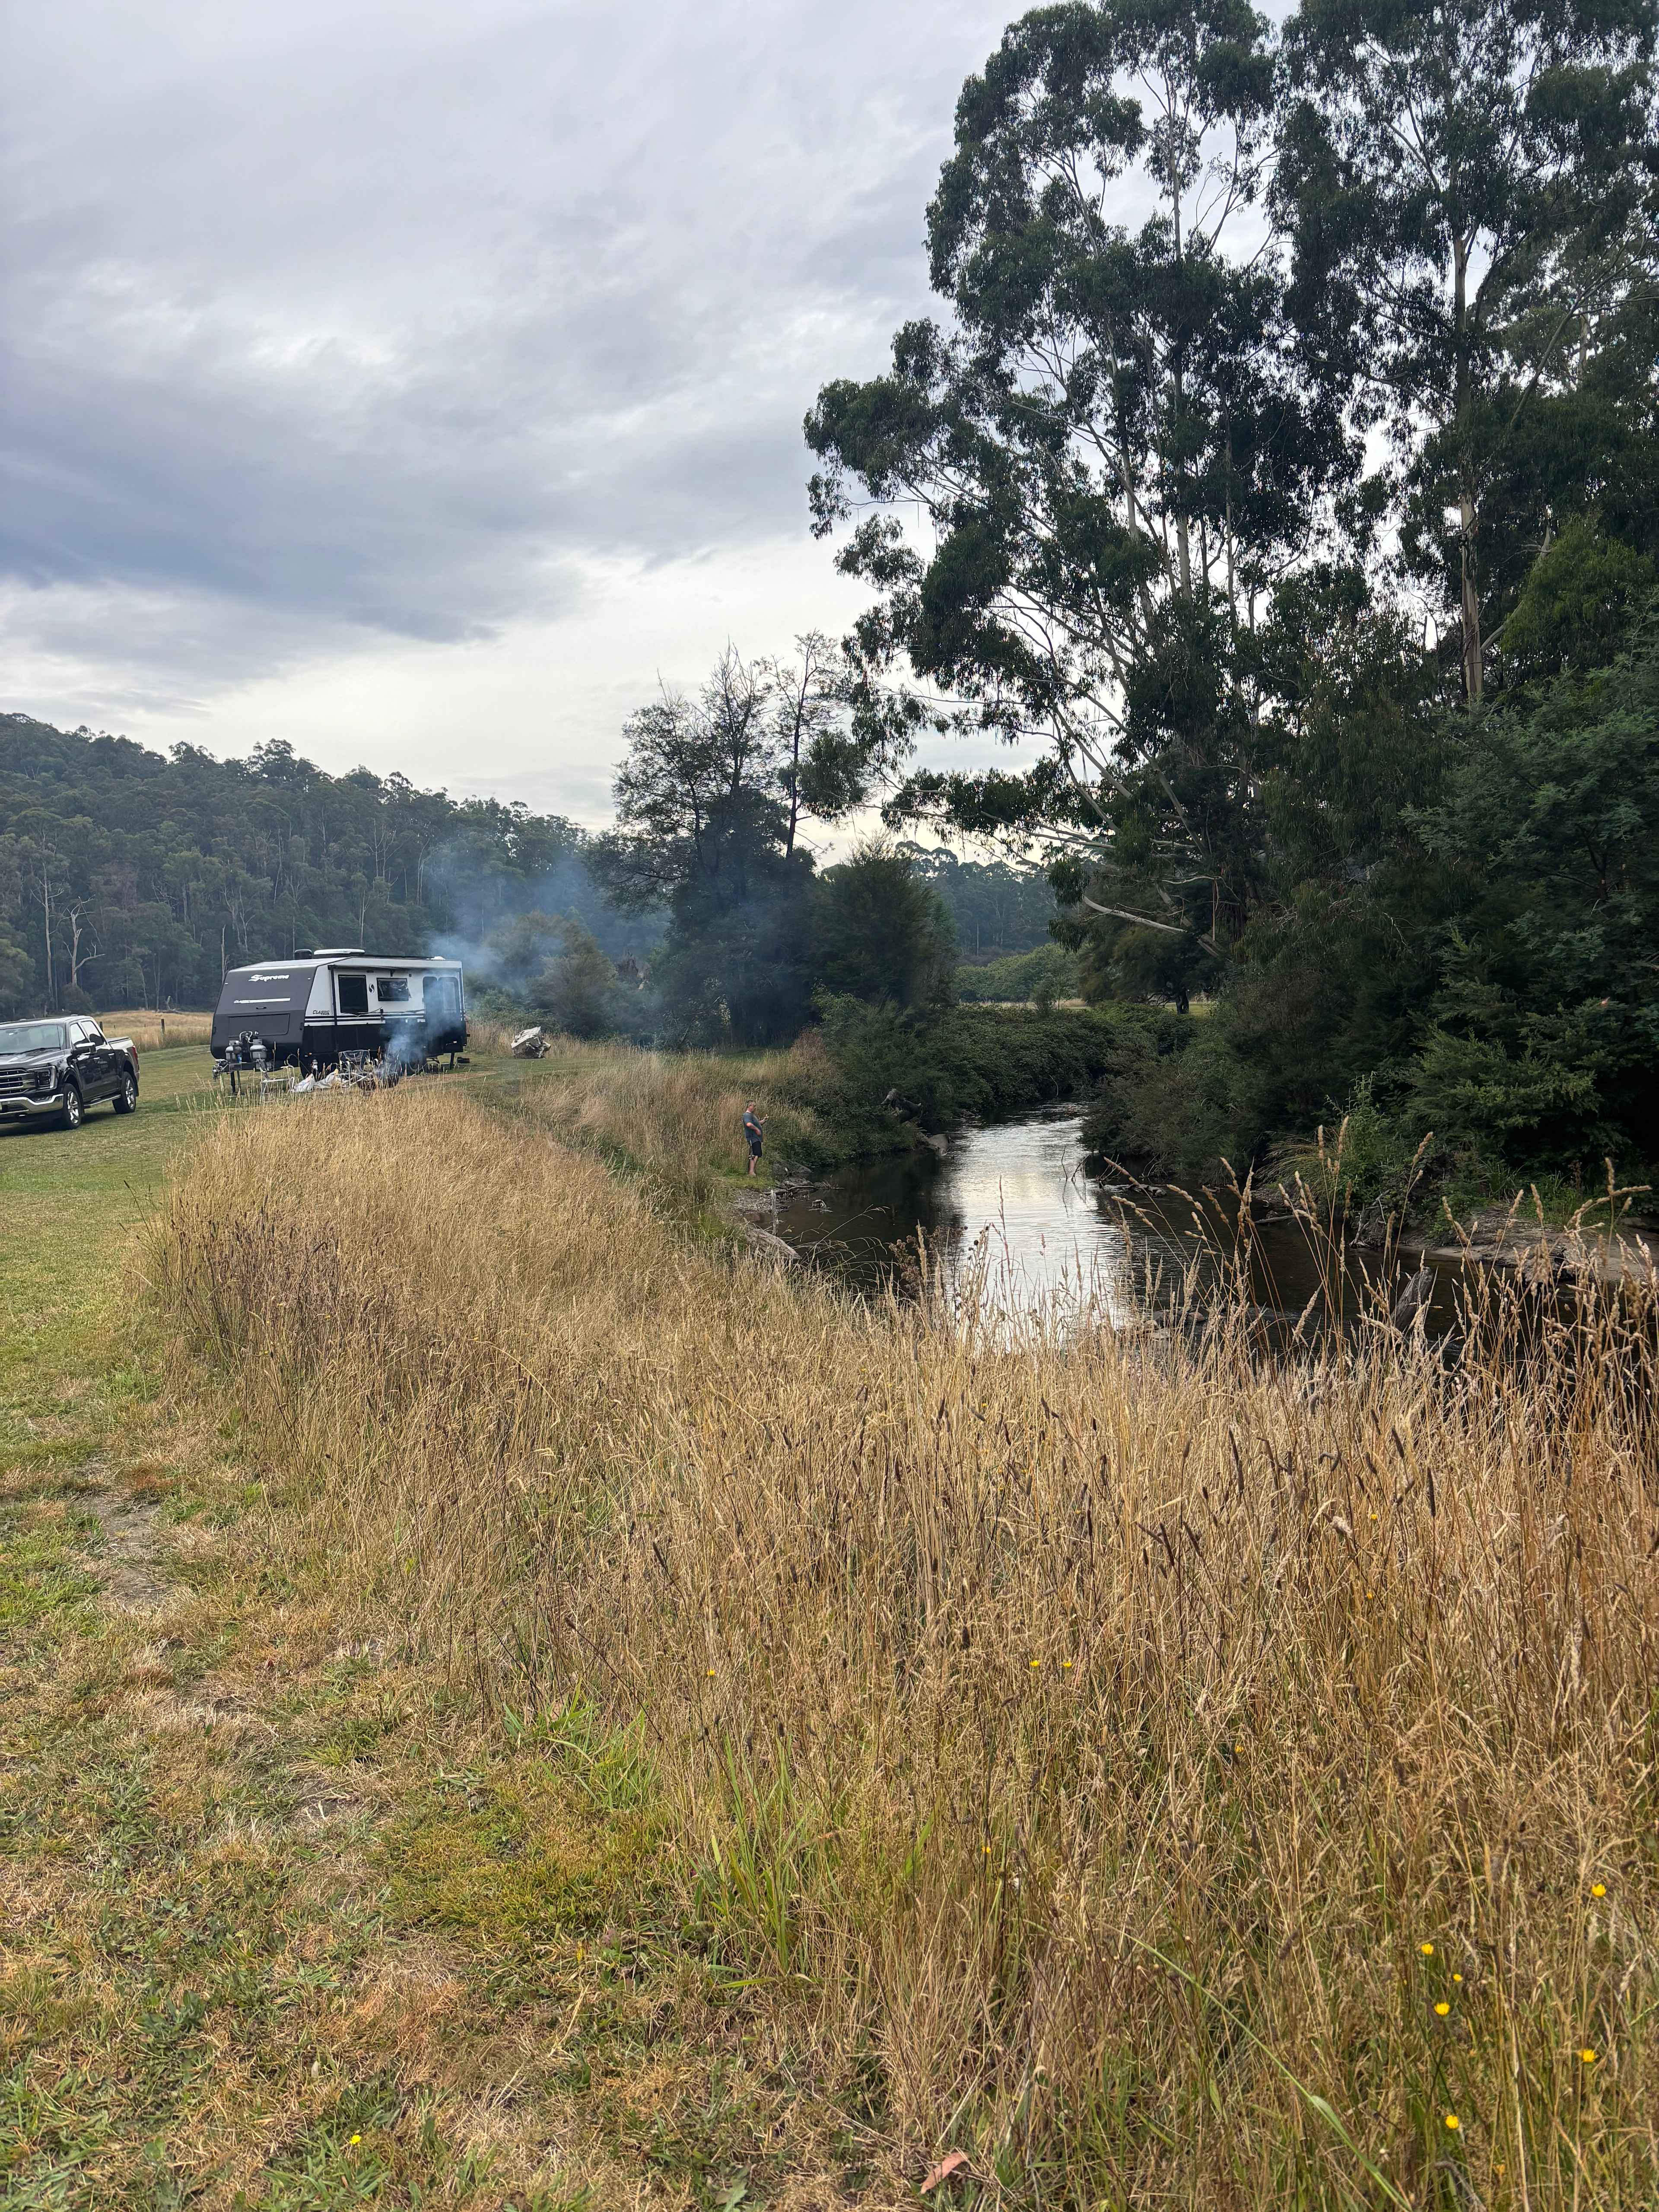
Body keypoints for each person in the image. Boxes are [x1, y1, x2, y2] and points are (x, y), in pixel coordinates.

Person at [742, 1102, 765, 1175]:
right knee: (754, 1154)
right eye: (754, 1106)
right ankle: (751, 1172)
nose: (755, 1108)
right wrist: (757, 1130)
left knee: (757, 1154)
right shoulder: (747, 1115)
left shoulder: (752, 1116)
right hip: (753, 1138)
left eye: (755, 1106)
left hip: (757, 1138)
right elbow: (749, 1124)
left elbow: (758, 1123)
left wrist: (764, 1120)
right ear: (749, 1106)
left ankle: (752, 1171)